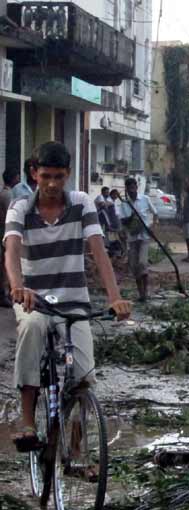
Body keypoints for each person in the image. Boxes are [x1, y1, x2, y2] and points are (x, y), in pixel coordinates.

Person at [3, 142, 132, 449]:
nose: (51, 183)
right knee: (32, 328)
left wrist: (115, 297)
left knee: (84, 376)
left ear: (68, 175)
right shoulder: (20, 207)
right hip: (33, 300)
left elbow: (99, 252)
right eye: (46, 175)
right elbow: (11, 250)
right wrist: (18, 287)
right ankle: (28, 422)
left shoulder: (81, 202)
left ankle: (76, 452)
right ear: (34, 174)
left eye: (58, 177)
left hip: (75, 302)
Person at [119, 177, 158, 302]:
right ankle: (140, 294)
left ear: (136, 187)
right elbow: (123, 221)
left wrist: (152, 226)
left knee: (142, 263)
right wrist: (130, 218)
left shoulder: (145, 199)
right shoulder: (124, 204)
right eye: (129, 189)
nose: (132, 191)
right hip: (132, 238)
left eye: (133, 188)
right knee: (135, 266)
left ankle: (145, 293)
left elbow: (155, 213)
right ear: (127, 189)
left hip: (144, 237)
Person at [0, 169, 15, 307]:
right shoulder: (8, 194)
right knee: (6, 264)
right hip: (5, 232)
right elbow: (10, 216)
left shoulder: (4, 192)